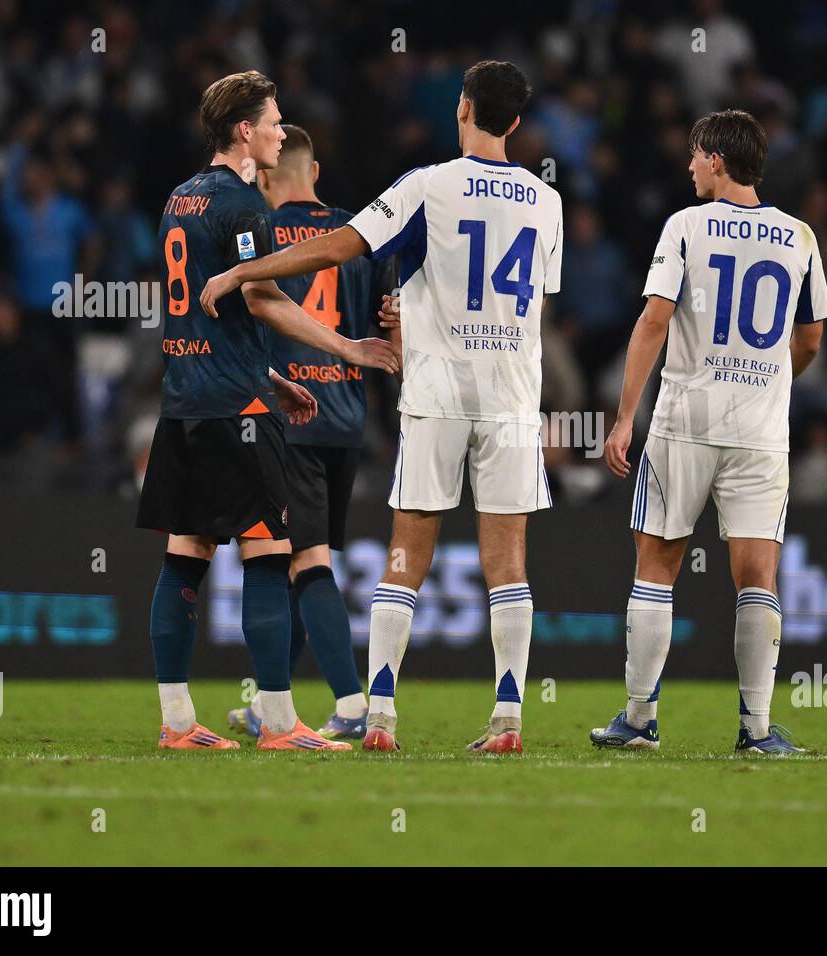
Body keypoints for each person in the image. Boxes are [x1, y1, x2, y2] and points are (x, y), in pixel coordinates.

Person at [201, 60, 563, 755]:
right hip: (512, 396)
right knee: (508, 562)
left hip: (438, 394)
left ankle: (383, 716)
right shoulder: (545, 202)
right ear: (515, 122)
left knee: (405, 556)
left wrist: (246, 268)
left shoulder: (428, 185)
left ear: (462, 109)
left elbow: (341, 246)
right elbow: (529, 306)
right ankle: (509, 718)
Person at [138, 71, 398, 752]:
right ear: (243, 130)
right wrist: (346, 346)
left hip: (185, 401)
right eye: (274, 121)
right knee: (269, 552)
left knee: (185, 555)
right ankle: (281, 725)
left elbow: (206, 308)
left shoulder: (179, 198)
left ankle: (175, 723)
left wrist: (272, 373)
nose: (282, 133)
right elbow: (259, 299)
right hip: (237, 414)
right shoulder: (243, 204)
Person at [588, 110, 827, 755]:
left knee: (656, 566)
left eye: (696, 156)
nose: (690, 166)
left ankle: (639, 720)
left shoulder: (687, 226)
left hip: (685, 421)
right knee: (758, 577)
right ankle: (755, 730)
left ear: (718, 161)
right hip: (760, 428)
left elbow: (653, 321)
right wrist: (770, 379)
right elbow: (809, 338)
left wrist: (623, 417)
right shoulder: (799, 236)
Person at [226, 124, 386, 742]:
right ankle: (275, 705)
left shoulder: (259, 234)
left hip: (285, 416)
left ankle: (350, 703)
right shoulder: (357, 234)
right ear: (314, 172)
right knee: (303, 559)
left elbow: (252, 309)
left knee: (302, 558)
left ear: (265, 177)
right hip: (345, 419)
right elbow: (387, 315)